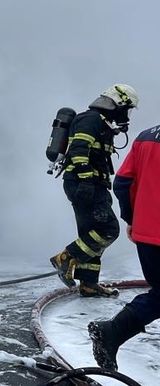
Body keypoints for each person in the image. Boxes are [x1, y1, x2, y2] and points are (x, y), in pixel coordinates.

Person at [50, 84, 139, 297]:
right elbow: (80, 150)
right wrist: (86, 181)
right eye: (126, 108)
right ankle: (65, 257)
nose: (126, 114)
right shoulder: (90, 119)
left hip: (89, 184)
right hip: (84, 183)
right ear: (118, 102)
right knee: (108, 229)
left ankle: (88, 284)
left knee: (90, 232)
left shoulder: (101, 123)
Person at [88, 122, 160, 371]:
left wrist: (132, 218)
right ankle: (111, 332)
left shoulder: (146, 137)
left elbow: (122, 182)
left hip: (148, 235)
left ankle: (112, 332)